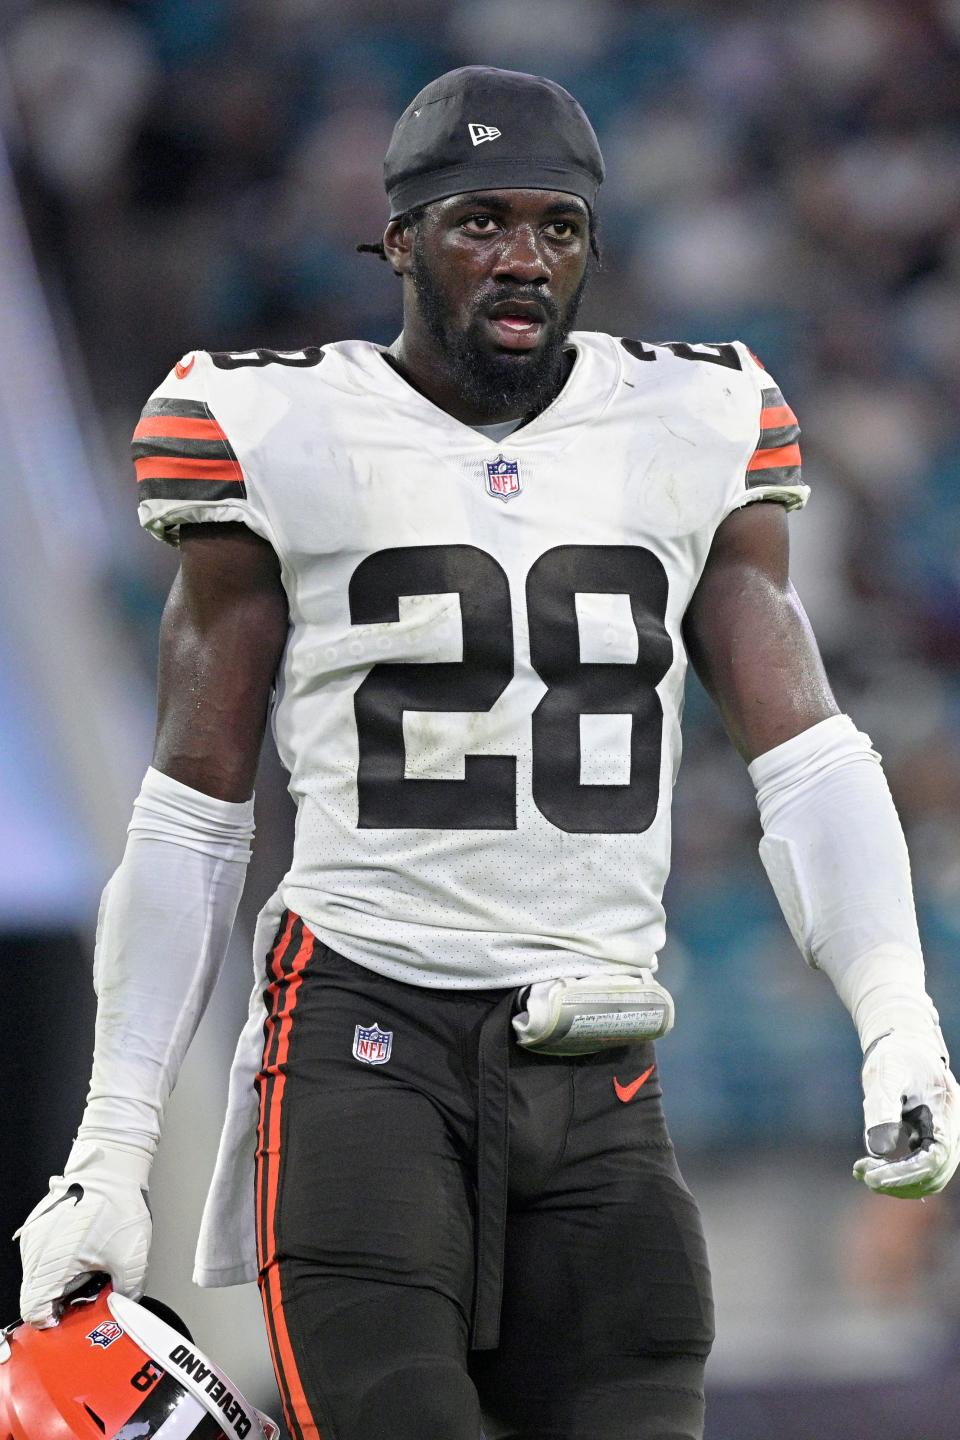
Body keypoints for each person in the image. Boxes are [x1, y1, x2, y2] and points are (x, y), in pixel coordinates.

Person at [16, 65, 960, 1440]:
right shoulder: (277, 424)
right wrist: (109, 1146)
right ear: (396, 236)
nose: (524, 259)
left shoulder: (688, 421)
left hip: (601, 1072)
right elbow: (192, 811)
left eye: (557, 227)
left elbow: (805, 753)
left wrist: (898, 1016)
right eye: (480, 223)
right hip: (361, 1054)